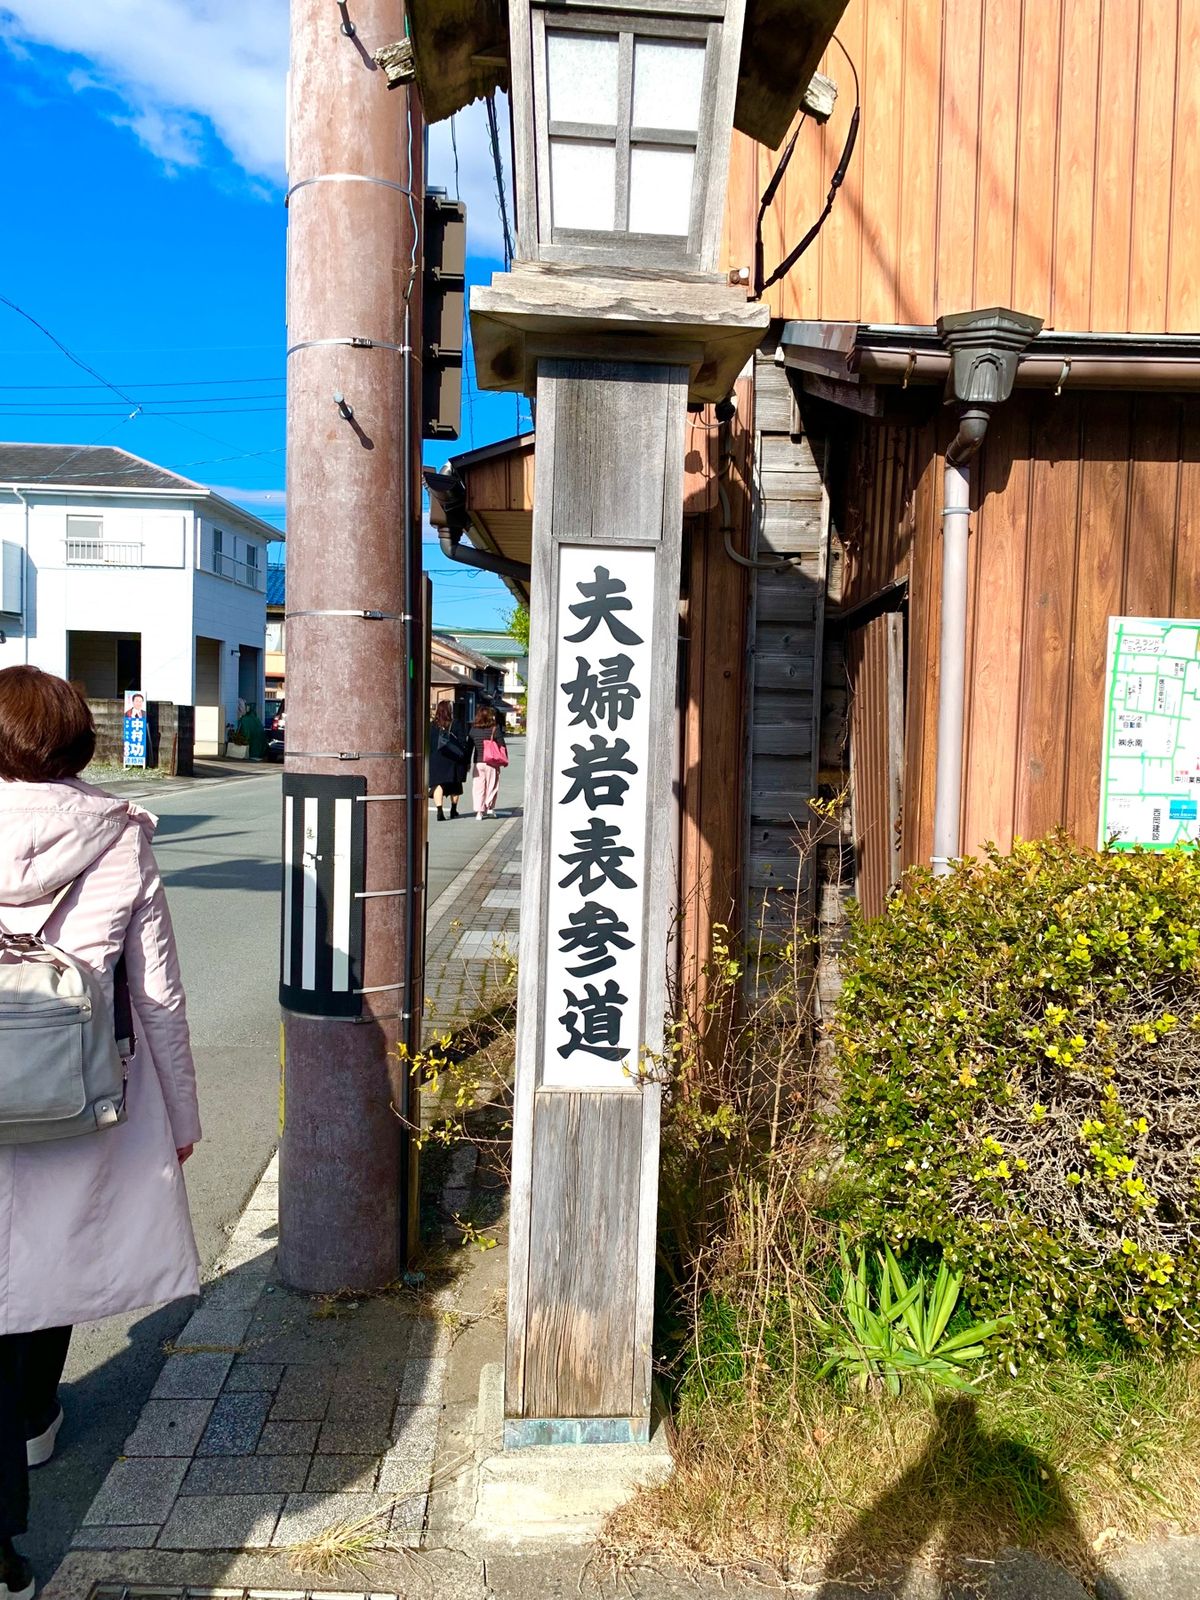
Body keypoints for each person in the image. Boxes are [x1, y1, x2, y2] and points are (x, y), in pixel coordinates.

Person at [0, 666, 201, 1599]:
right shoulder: (118, 832)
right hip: (75, 1086)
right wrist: (184, 1118)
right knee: (49, 1255)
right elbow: (154, 986)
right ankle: (35, 1415)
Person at [428, 700, 468, 821]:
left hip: (436, 758)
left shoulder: (431, 725)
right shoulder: (456, 724)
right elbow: (462, 742)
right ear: (449, 710)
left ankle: (439, 811)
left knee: (438, 784)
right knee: (455, 784)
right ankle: (453, 809)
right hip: (453, 758)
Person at [470, 706, 507, 820]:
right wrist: (505, 759)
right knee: (492, 785)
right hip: (492, 762)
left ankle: (479, 812)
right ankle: (489, 807)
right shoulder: (494, 729)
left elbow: (469, 748)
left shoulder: (473, 730)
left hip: (478, 762)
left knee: (478, 787)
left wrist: (466, 762)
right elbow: (502, 745)